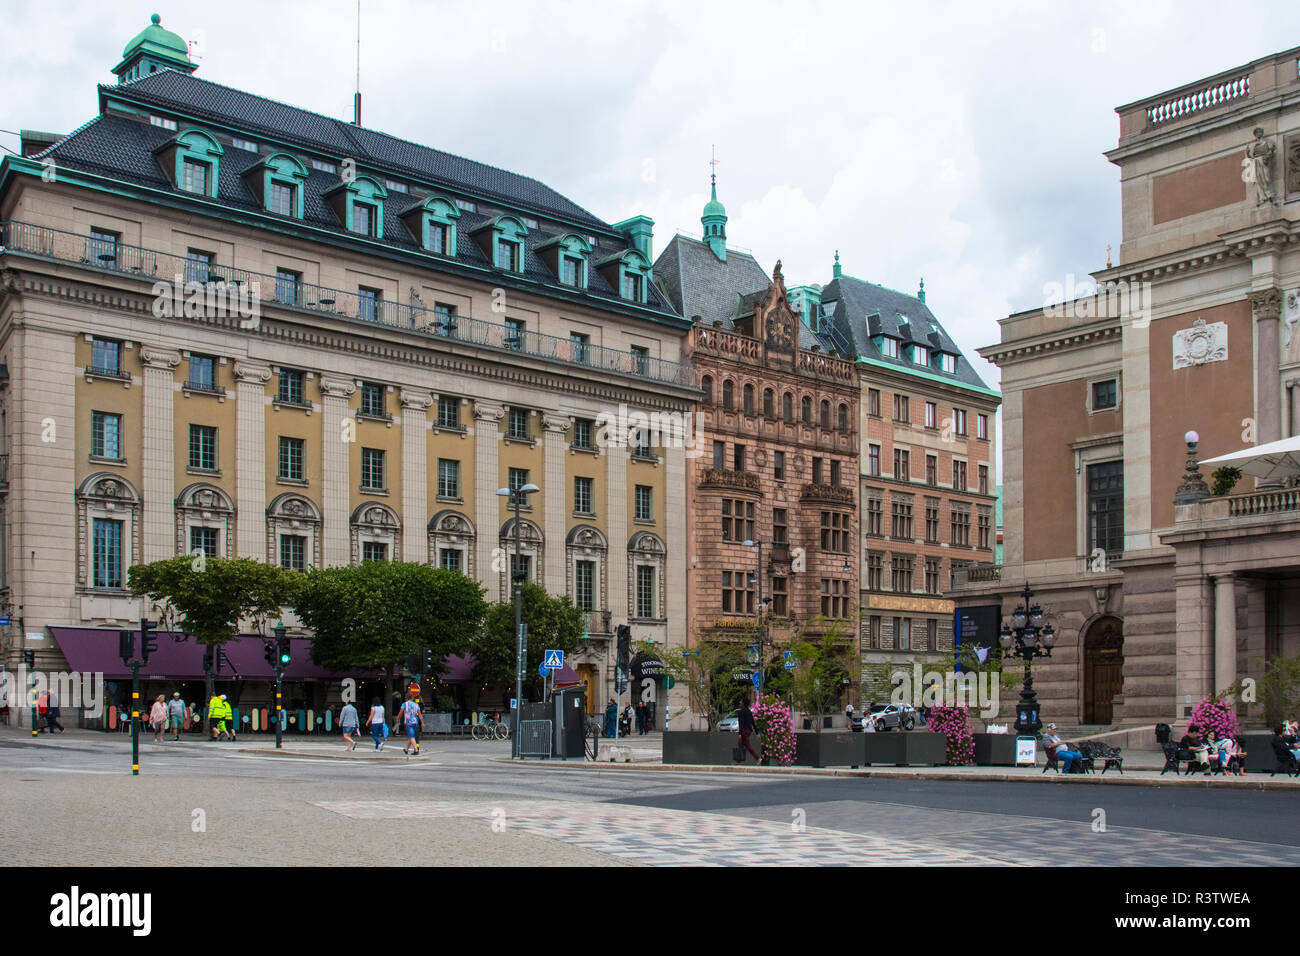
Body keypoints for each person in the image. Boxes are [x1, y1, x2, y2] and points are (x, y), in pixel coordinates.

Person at [736, 695, 762, 764]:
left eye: (741, 701)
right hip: (749, 731)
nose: (740, 702)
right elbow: (753, 722)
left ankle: (757, 758)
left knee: (747, 745)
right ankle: (738, 761)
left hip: (744, 731)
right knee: (740, 744)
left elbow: (740, 724)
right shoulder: (749, 712)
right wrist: (757, 732)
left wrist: (740, 733)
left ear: (743, 703)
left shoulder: (741, 712)